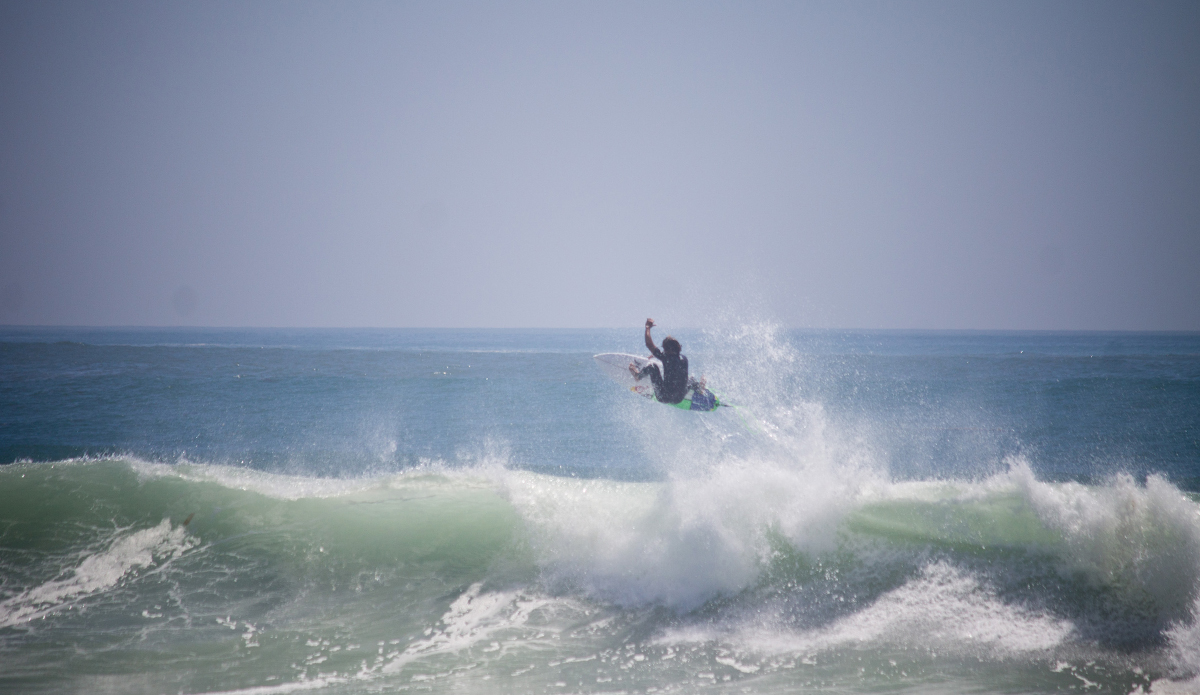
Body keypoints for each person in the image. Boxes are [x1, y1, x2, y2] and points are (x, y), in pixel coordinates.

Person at [629, 318, 689, 404]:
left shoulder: (666, 358)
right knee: (686, 377)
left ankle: (638, 376)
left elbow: (649, 344)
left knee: (653, 367)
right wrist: (656, 355)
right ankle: (697, 386)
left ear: (667, 350)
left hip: (663, 397)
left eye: (664, 349)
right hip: (679, 399)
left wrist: (647, 328)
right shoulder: (684, 359)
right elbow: (673, 363)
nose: (663, 351)